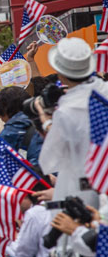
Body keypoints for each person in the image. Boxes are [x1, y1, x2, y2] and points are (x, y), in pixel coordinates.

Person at [38, 37, 108, 208]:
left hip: (84, 187)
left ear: (59, 72)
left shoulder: (66, 110)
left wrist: (45, 120)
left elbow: (50, 161)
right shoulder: (104, 91)